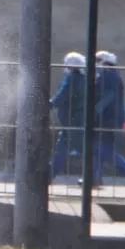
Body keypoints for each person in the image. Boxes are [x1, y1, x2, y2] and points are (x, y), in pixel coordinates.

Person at [91, 51, 125, 187]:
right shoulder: (107, 75)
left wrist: (95, 110)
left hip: (108, 118)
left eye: (98, 60)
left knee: (101, 148)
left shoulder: (109, 75)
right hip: (106, 118)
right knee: (98, 148)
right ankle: (94, 177)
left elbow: (108, 96)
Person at [48, 52, 86, 182]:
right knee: (67, 147)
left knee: (67, 147)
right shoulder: (82, 78)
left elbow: (63, 94)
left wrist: (50, 104)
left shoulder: (71, 79)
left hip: (71, 118)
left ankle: (49, 175)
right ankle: (49, 175)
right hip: (77, 118)